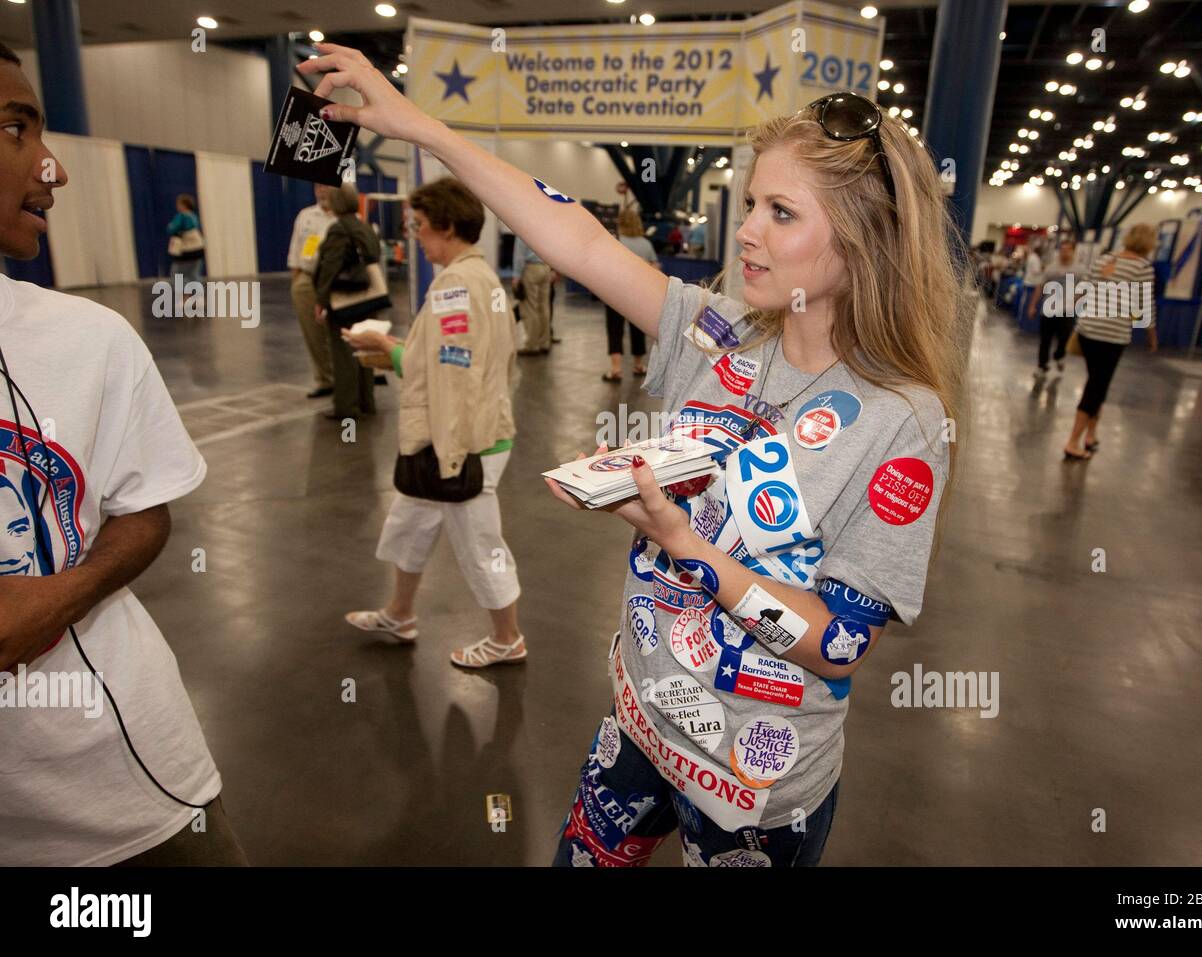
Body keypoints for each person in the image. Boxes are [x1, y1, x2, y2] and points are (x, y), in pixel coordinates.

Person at [301, 49, 965, 867]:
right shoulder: (718, 332)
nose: (747, 231)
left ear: (863, 241)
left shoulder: (902, 419)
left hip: (754, 781)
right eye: (752, 201)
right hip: (644, 721)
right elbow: (574, 237)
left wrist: (688, 548)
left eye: (782, 213)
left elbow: (838, 644)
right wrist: (422, 129)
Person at [0, 41, 245, 865]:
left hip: (118, 794)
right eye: (13, 128)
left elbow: (144, 513)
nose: (51, 168)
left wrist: (59, 596)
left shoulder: (89, 340)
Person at [340, 177, 525, 666]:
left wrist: (387, 349)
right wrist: (392, 355)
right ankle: (399, 612)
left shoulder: (456, 285)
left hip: (463, 441)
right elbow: (459, 358)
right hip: (461, 432)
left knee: (480, 543)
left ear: (446, 226)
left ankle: (508, 639)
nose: (416, 238)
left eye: (420, 227)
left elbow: (453, 371)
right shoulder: (482, 279)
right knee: (409, 522)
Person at [1063, 223, 1158, 461]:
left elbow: (1083, 289)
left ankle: (1091, 434)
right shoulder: (1142, 267)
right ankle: (1073, 441)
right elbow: (1145, 307)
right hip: (1112, 336)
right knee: (1096, 386)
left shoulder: (1104, 260)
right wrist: (1152, 336)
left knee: (1097, 382)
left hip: (1088, 331)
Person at [313, 185, 381, 420]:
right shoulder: (365, 227)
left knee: (343, 354)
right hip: (368, 298)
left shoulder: (338, 229)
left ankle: (345, 408)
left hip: (344, 301)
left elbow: (329, 267)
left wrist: (321, 300)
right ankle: (366, 401)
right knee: (365, 350)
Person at [288, 183, 337, 399]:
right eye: (318, 186)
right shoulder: (305, 216)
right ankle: (324, 379)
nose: (321, 190)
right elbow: (295, 249)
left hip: (336, 281)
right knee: (312, 332)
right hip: (307, 277)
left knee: (336, 333)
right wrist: (296, 280)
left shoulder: (343, 216)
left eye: (326, 185)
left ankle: (344, 378)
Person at [603, 206, 657, 383]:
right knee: (638, 330)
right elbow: (654, 268)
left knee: (614, 329)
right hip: (638, 294)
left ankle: (616, 368)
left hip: (615, 291)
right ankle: (638, 365)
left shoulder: (614, 241)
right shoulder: (645, 244)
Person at [1028, 239, 1078, 378]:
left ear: (1073, 251)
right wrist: (1032, 306)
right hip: (1048, 310)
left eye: (1068, 249)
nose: (1065, 252)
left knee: (1064, 339)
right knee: (1045, 340)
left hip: (1067, 311)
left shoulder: (1078, 270)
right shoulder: (1051, 268)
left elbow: (1085, 290)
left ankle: (1059, 355)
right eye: (1062, 249)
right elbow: (1040, 287)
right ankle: (1042, 366)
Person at [513, 235, 558, 354]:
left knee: (530, 307)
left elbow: (519, 255)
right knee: (544, 307)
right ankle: (544, 342)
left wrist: (516, 276)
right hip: (545, 268)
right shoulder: (541, 229)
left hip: (531, 269)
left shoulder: (522, 229)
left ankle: (532, 345)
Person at [166, 193, 204, 309]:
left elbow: (172, 229)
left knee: (177, 274)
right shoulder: (193, 216)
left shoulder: (181, 217)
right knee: (194, 274)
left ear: (183, 205)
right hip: (198, 248)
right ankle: (199, 298)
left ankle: (185, 298)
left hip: (186, 251)